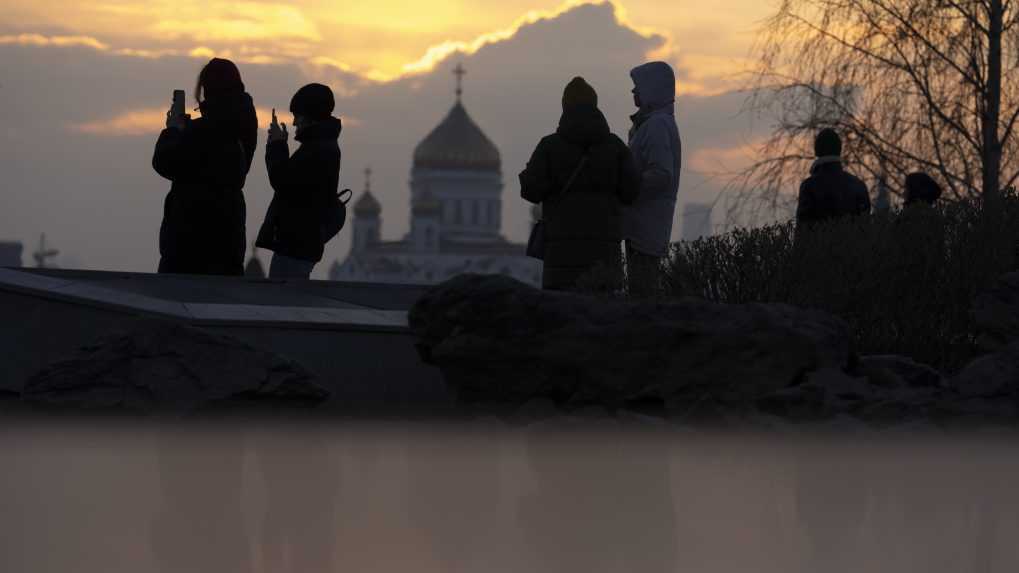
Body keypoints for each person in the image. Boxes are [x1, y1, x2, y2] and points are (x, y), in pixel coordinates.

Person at [520, 77, 639, 291]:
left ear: (565, 106)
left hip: (561, 255)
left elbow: (530, 190)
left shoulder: (549, 146)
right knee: (604, 314)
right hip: (604, 252)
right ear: (595, 105)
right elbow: (631, 191)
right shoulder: (615, 147)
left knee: (563, 316)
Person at [152, 58, 257, 276]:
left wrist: (173, 130)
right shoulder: (243, 122)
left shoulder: (204, 130)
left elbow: (164, 161)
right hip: (228, 232)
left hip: (191, 238)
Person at [256, 83, 343, 280]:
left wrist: (276, 145)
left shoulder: (318, 148)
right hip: (300, 244)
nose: (294, 122)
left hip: (296, 245)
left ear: (309, 116)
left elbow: (282, 181)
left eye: (297, 115)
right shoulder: (321, 145)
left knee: (281, 302)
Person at [623, 61, 682, 297]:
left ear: (653, 89)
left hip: (646, 224)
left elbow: (661, 175)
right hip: (640, 224)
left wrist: (628, 186)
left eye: (638, 86)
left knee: (643, 293)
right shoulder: (650, 124)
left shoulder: (657, 125)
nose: (634, 92)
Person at [795, 129, 871, 227]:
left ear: (817, 151)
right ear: (839, 150)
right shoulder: (858, 185)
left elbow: (803, 230)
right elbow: (866, 228)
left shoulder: (809, 187)